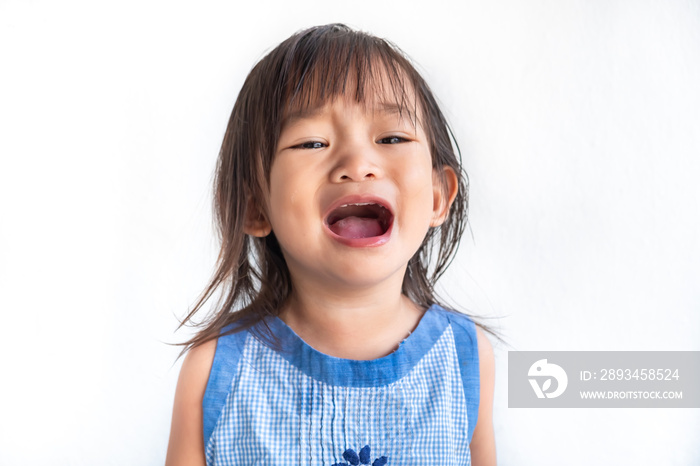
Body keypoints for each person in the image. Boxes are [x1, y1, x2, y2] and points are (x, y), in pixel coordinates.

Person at [166, 23, 496, 466]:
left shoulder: (465, 356)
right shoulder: (213, 369)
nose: (358, 163)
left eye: (392, 138)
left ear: (438, 197)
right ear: (255, 206)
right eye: (312, 142)